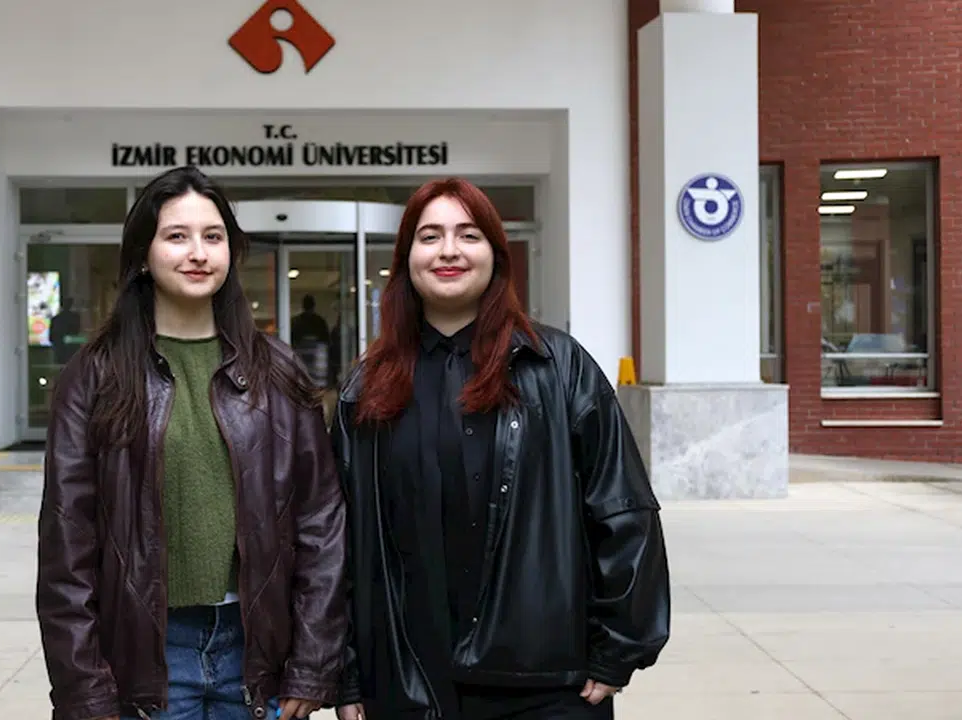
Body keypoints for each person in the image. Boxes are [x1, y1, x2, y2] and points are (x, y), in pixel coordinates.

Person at [331, 178, 670, 720]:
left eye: (468, 235)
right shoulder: (367, 387)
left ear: (495, 255)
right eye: (429, 236)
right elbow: (339, 543)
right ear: (406, 259)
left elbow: (622, 508)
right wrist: (347, 673)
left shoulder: (558, 366)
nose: (448, 250)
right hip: (409, 683)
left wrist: (618, 649)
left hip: (545, 683)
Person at [36, 166, 348, 720]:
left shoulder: (277, 370)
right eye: (177, 236)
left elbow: (321, 523)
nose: (198, 253)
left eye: (213, 236)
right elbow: (67, 543)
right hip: (145, 658)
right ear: (144, 253)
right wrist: (84, 688)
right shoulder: (96, 374)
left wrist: (313, 661)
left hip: (258, 655)